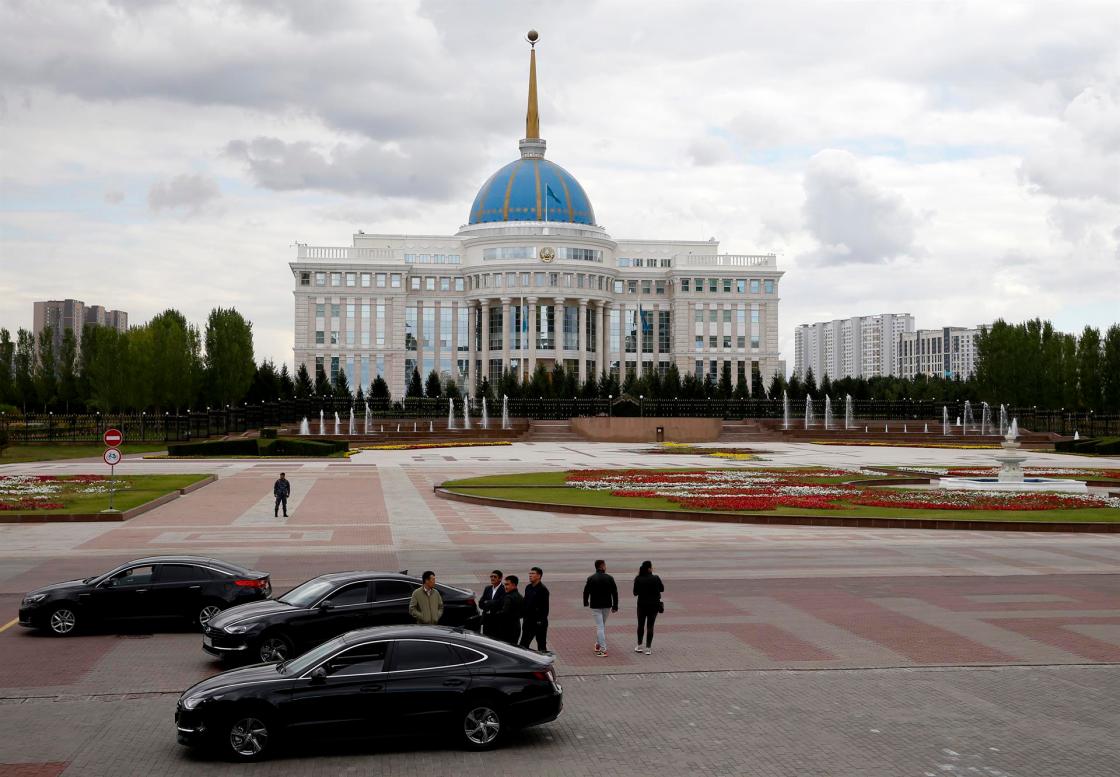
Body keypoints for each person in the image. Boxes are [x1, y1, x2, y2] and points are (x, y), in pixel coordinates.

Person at [583, 559, 618, 657]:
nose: (606, 567)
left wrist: (585, 602)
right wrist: (615, 605)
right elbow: (614, 592)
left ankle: (600, 646)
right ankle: (601, 647)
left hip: (595, 605)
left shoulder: (591, 578)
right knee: (602, 626)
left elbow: (586, 591)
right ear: (602, 566)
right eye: (605, 565)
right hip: (607, 605)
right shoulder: (609, 578)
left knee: (600, 626)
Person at [633, 560, 665, 655]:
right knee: (650, 626)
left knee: (640, 625)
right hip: (654, 605)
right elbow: (662, 589)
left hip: (642, 605)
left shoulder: (638, 578)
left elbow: (635, 593)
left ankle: (639, 646)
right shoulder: (656, 578)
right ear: (649, 569)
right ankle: (648, 648)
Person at [519, 566, 550, 652]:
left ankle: (544, 659)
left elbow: (545, 609)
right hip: (528, 622)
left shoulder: (543, 590)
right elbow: (525, 603)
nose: (530, 575)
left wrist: (540, 621)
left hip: (539, 623)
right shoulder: (528, 587)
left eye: (533, 573)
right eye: (530, 573)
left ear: (539, 576)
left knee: (541, 645)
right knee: (523, 645)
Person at [496, 575, 523, 645]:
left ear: (513, 585)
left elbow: (504, 613)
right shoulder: (520, 596)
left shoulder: (509, 597)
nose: (505, 587)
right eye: (505, 584)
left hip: (506, 629)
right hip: (516, 627)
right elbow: (523, 613)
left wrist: (495, 614)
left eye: (507, 584)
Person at [478, 569, 506, 637]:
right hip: (486, 620)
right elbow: (481, 604)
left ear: (500, 578)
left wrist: (487, 602)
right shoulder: (487, 588)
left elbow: (500, 604)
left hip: (497, 621)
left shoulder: (504, 589)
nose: (492, 578)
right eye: (491, 576)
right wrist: (492, 603)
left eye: (495, 577)